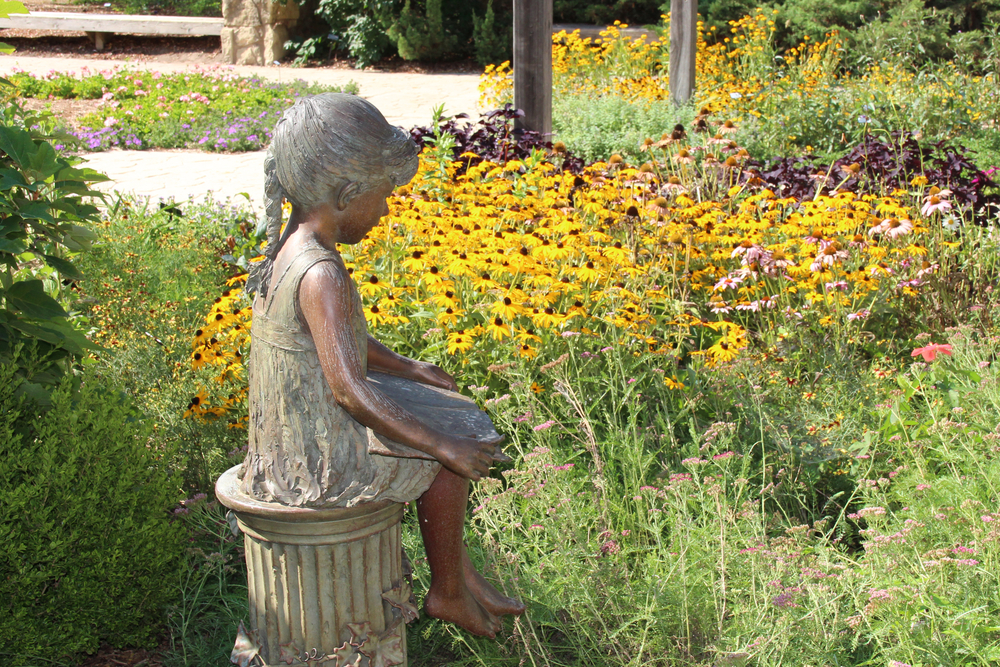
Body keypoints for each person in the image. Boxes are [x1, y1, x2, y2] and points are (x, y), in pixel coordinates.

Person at [241, 93, 523, 638]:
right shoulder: (321, 272)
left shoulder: (290, 249)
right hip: (315, 461)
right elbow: (348, 388)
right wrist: (443, 447)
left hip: (292, 433)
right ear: (349, 194)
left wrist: (410, 369)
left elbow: (340, 343)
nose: (387, 210)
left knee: (450, 417)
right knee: (450, 451)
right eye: (384, 196)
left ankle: (459, 574)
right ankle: (447, 590)